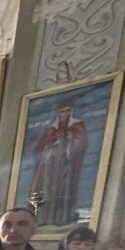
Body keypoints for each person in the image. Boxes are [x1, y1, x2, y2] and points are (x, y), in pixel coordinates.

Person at [29, 97, 88, 228]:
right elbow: (39, 148)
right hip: (48, 169)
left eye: (67, 111)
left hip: (65, 168)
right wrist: (49, 145)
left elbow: (81, 143)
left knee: (62, 193)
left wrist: (70, 139)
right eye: (62, 112)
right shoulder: (51, 129)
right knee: (46, 193)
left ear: (71, 112)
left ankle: (61, 220)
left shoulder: (76, 126)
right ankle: (44, 220)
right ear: (58, 113)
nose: (64, 114)